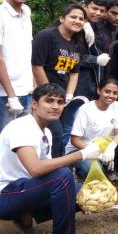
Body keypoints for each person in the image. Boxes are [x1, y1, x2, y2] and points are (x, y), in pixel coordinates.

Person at [0, 83, 100, 234]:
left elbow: (47, 168)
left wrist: (76, 198)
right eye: (49, 101)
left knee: (88, 191)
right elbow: (36, 169)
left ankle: (25, 216)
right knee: (62, 177)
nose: (56, 106)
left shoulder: (46, 132)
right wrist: (82, 154)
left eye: (60, 102)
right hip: (6, 195)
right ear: (34, 104)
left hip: (29, 189)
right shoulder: (22, 127)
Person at [32, 4, 86, 157]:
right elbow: (36, 66)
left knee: (63, 134)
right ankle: (55, 169)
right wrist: (48, 94)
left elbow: (74, 73)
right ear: (62, 18)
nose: (77, 21)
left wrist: (68, 95)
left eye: (81, 19)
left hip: (63, 99)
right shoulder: (47, 36)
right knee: (55, 132)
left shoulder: (76, 43)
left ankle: (59, 168)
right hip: (44, 96)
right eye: (73, 17)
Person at [65, 79, 118, 184]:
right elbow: (75, 140)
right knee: (90, 169)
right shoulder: (85, 110)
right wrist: (96, 152)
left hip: (104, 145)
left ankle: (108, 169)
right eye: (107, 91)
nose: (111, 95)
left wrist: (111, 146)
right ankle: (80, 171)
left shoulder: (116, 106)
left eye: (115, 93)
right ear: (99, 91)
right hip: (81, 148)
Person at [0, 0, 34, 131]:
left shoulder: (26, 12)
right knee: (4, 144)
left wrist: (33, 84)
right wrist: (11, 96)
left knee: (22, 143)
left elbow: (26, 51)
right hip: (5, 94)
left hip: (27, 90)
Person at [75, 0, 109, 100]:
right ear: (84, 7)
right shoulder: (74, 26)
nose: (98, 13)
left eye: (102, 10)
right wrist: (96, 60)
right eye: (94, 8)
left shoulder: (98, 24)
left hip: (95, 81)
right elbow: (73, 56)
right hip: (77, 82)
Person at [94, 0, 118, 82]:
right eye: (114, 13)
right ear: (106, 11)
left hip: (115, 79)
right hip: (95, 76)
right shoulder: (95, 28)